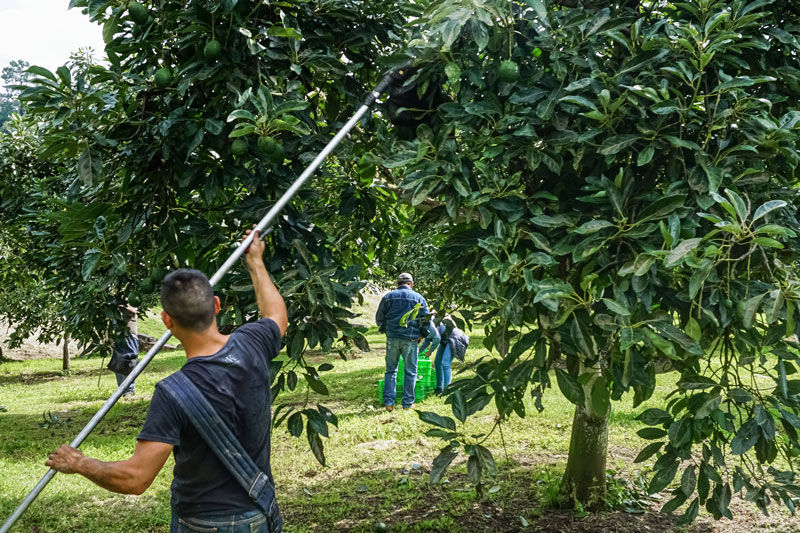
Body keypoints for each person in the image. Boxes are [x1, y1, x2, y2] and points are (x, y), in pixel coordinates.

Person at [45, 228, 288, 533]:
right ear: (216, 305)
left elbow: (136, 478)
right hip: (259, 516)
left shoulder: (173, 394)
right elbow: (276, 314)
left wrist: (79, 463)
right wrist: (255, 262)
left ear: (166, 321)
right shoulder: (252, 343)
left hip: (204, 525)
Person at [375, 272, 429, 411]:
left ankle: (389, 403)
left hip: (392, 338)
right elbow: (426, 320)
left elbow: (379, 317)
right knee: (410, 371)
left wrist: (385, 330)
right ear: (411, 284)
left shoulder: (388, 297)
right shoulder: (419, 298)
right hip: (410, 339)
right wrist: (422, 334)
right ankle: (407, 404)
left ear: (397, 283)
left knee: (391, 371)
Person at [107, 305, 139, 397]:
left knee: (129, 361)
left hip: (129, 335)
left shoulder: (128, 299)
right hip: (118, 336)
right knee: (118, 362)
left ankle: (129, 390)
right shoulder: (114, 307)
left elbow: (133, 310)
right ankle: (122, 389)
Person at [433, 316, 469, 395]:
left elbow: (436, 338)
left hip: (455, 338)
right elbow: (427, 341)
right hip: (445, 339)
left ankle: (447, 390)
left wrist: (430, 351)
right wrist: (419, 351)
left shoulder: (433, 323)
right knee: (437, 362)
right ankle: (439, 388)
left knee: (445, 363)